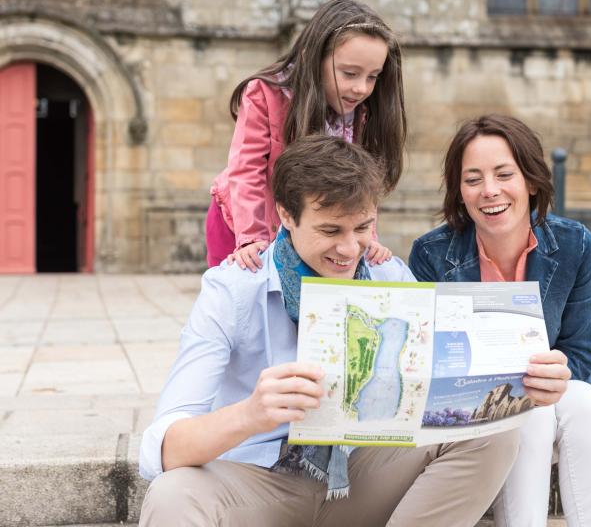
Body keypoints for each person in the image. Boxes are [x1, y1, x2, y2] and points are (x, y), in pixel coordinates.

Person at [139, 135, 524, 527]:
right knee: (172, 495)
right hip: (258, 483)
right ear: (287, 215)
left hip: (361, 477)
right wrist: (252, 413)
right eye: (330, 230)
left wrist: (524, 379)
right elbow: (164, 448)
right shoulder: (233, 289)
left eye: (362, 227)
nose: (349, 248)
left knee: (496, 429)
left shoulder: (388, 274)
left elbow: (446, 391)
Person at [409, 114, 591, 527]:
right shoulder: (431, 255)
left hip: (552, 397)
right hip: (471, 412)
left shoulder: (576, 246)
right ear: (459, 191)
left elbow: (578, 357)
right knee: (531, 413)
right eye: (473, 179)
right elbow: (425, 361)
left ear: (531, 180)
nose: (490, 191)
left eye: (504, 174)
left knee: (589, 404)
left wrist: (554, 373)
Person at [206, 0, 406, 271]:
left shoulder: (362, 112)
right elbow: (246, 169)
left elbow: (362, 184)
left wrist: (367, 236)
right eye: (349, 73)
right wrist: (251, 237)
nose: (361, 88)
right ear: (314, 58)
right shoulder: (266, 94)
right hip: (241, 222)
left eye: (372, 77)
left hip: (310, 231)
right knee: (242, 301)